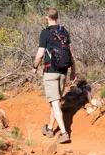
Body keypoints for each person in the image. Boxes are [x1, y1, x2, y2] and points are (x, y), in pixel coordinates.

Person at [33, 8, 76, 143]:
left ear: (47, 17)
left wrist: (34, 67)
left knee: (55, 102)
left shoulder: (45, 33)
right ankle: (50, 129)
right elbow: (71, 53)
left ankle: (64, 133)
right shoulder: (64, 31)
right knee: (55, 101)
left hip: (50, 71)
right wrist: (73, 70)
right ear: (57, 17)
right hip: (63, 71)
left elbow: (40, 54)